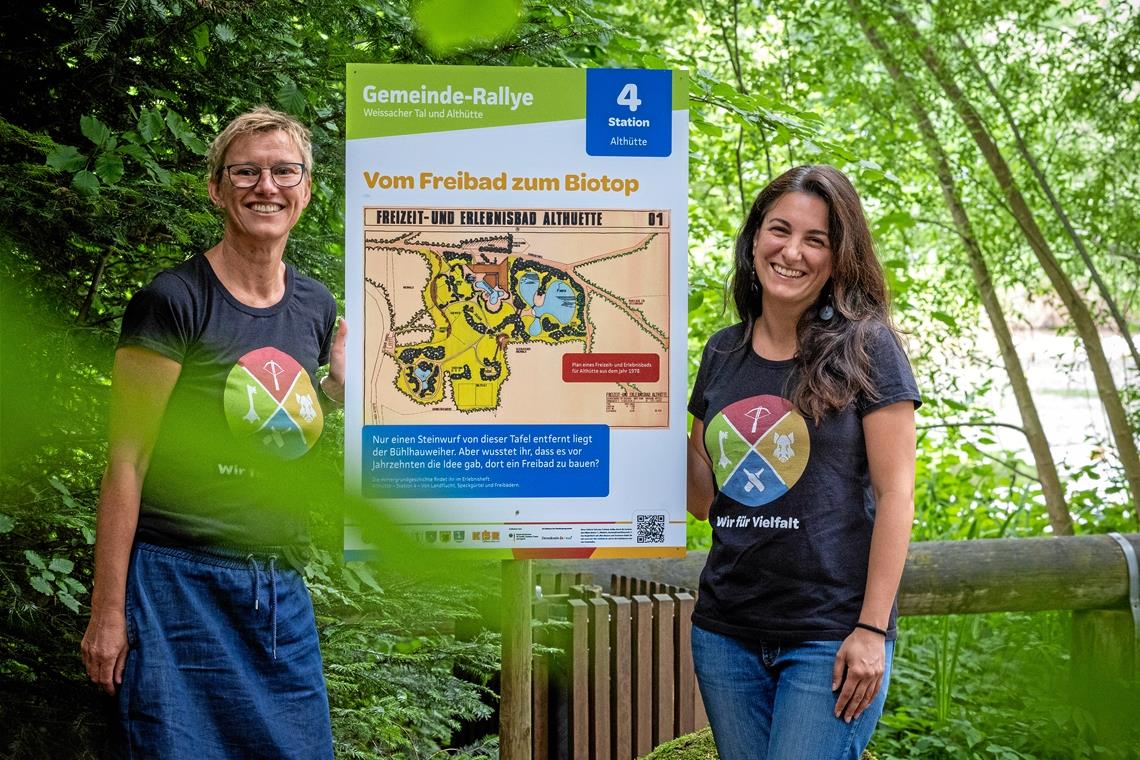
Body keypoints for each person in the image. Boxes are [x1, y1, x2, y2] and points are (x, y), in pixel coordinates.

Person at [80, 106, 345, 759]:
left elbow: (274, 427)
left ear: (306, 189)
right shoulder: (173, 300)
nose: (267, 187)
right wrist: (107, 611)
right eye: (247, 171)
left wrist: (333, 391)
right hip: (178, 583)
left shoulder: (316, 305)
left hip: (277, 586)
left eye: (285, 171)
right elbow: (126, 460)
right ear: (216, 187)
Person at [686, 165, 920, 760]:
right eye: (779, 230)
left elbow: (896, 496)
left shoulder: (868, 347)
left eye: (816, 239)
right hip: (725, 632)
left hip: (831, 635)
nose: (792, 252)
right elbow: (703, 500)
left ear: (840, 257)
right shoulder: (721, 351)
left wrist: (871, 631)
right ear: (754, 239)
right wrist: (645, 413)